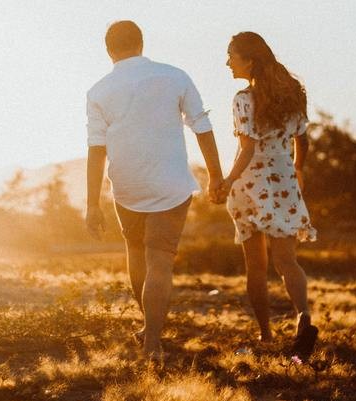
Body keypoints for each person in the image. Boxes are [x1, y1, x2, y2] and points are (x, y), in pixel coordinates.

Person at [85, 20, 225, 361]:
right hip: (171, 184)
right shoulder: (175, 76)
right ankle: (152, 344)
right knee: (159, 262)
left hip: (127, 187)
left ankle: (149, 331)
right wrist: (216, 177)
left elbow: (96, 149)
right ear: (141, 43)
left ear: (108, 50)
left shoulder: (98, 91)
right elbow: (202, 128)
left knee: (136, 254)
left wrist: (91, 204)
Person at [217, 31, 318, 358]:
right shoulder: (292, 94)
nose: (227, 62)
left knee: (256, 267)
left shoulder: (243, 99)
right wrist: (298, 170)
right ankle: (303, 316)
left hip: (250, 184)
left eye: (231, 55)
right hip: (284, 182)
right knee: (287, 261)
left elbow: (247, 149)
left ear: (249, 59)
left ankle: (265, 336)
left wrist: (228, 179)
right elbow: (302, 141)